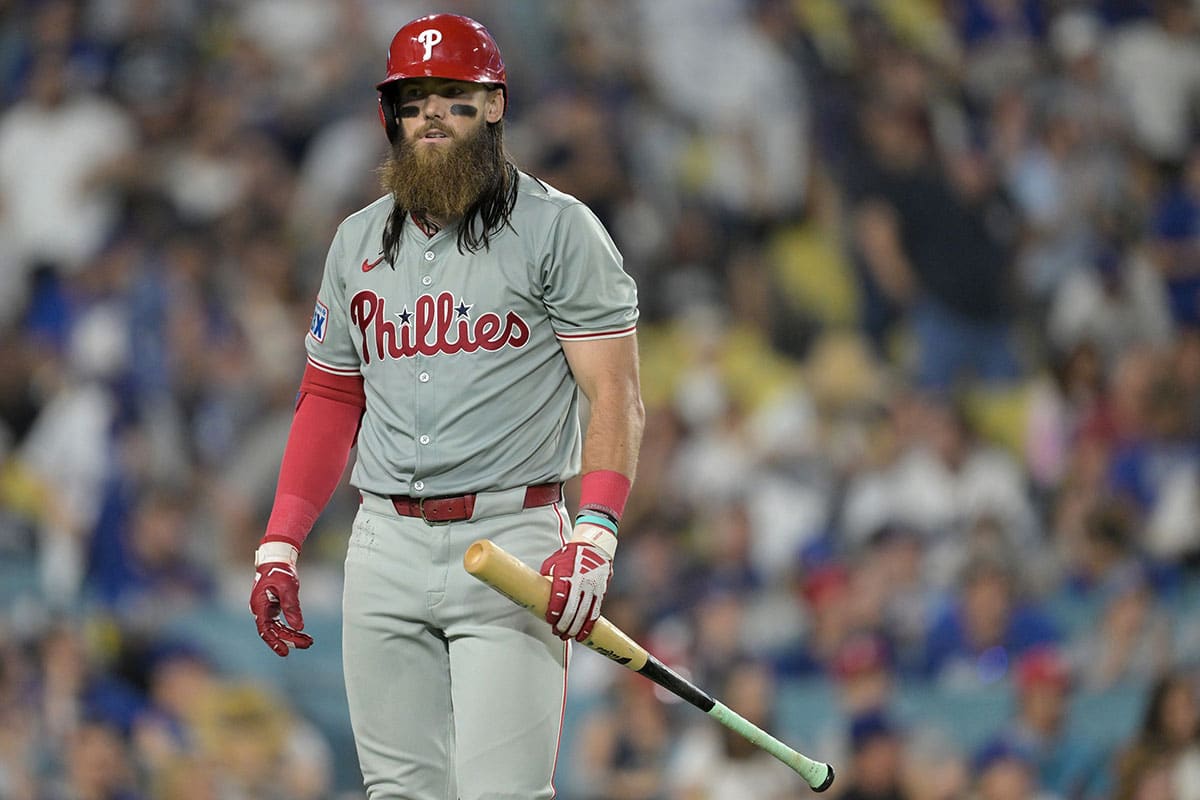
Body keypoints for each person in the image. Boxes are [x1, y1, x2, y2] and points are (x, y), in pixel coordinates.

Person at [245, 13, 644, 800]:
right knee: (397, 794)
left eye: (453, 96)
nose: (431, 113)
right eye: (413, 97)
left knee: (503, 794)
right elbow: (330, 396)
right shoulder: (355, 242)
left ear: (494, 105)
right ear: (390, 114)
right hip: (383, 543)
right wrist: (280, 543)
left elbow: (617, 395)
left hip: (512, 538)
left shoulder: (561, 230)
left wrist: (593, 538)